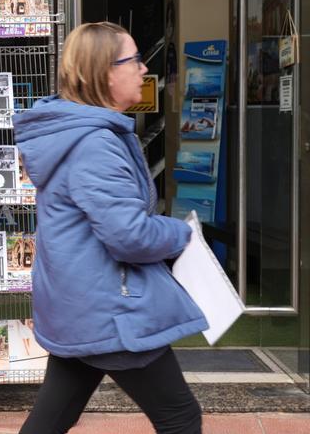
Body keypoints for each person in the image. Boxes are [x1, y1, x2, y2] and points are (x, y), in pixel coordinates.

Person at [12, 22, 208, 434]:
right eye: (134, 60)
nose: (143, 69)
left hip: (80, 303)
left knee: (52, 419)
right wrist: (182, 234)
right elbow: (130, 236)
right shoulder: (93, 143)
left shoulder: (79, 133)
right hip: (113, 311)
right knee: (181, 418)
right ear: (102, 73)